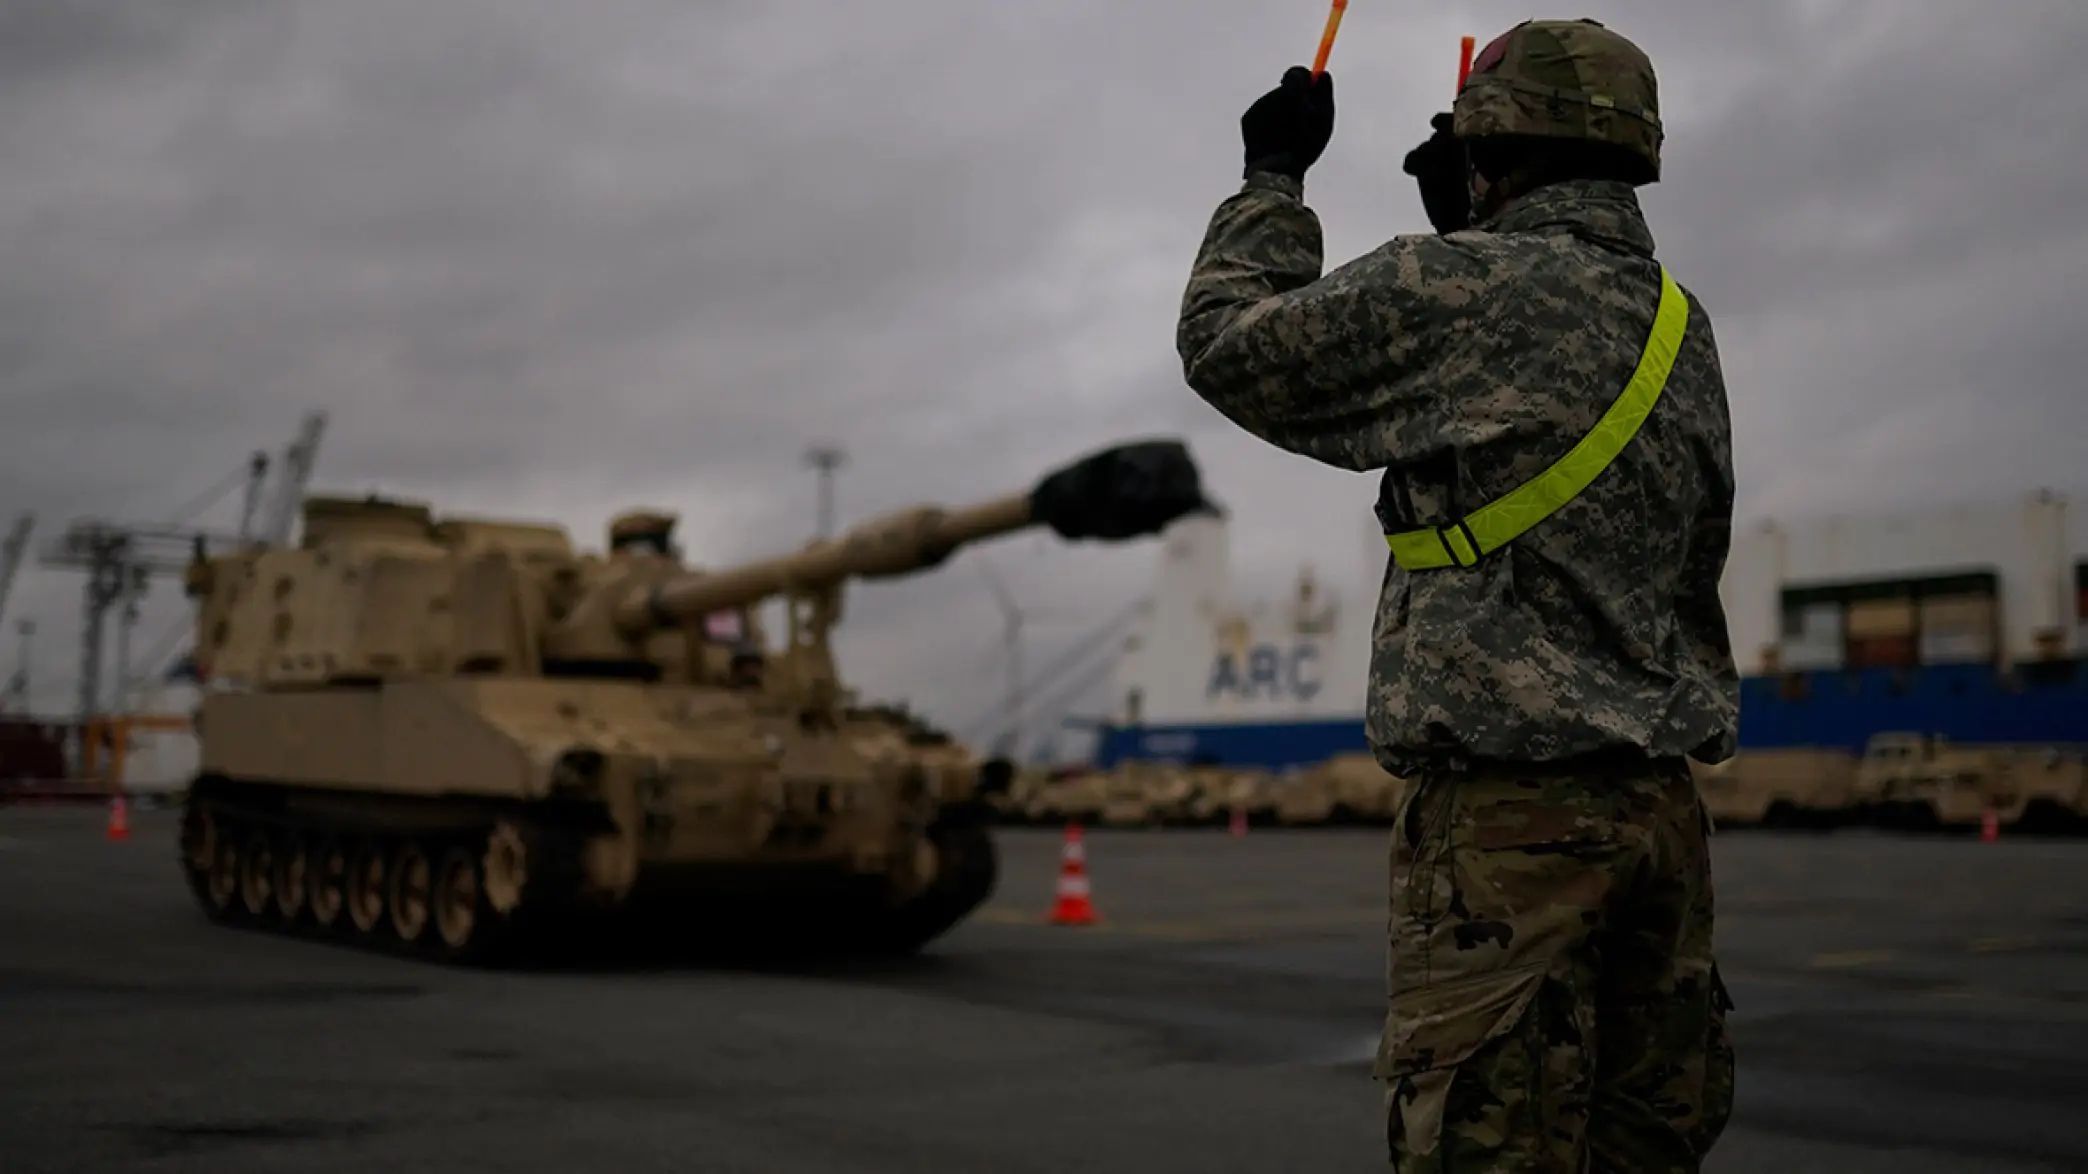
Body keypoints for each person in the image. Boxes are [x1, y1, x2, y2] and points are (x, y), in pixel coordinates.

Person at [1175, 18, 1737, 1171]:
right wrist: (1483, 217)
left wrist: (1272, 180)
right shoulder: (1683, 327)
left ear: (1489, 146)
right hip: (1661, 818)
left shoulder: (1458, 286)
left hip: (1506, 828)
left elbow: (1228, 343)